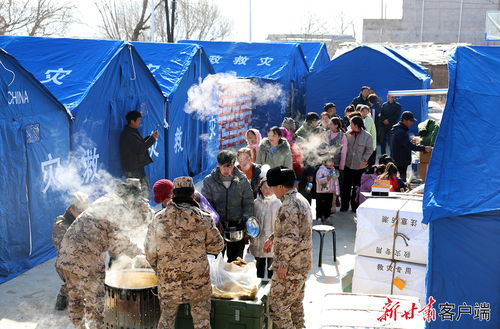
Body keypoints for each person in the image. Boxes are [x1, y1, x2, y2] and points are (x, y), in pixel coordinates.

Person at [55, 181, 144, 329]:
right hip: (87, 259)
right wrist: (140, 253)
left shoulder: (105, 200)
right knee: (95, 301)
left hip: (67, 255)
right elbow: (117, 241)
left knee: (75, 297)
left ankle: (79, 327)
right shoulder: (118, 206)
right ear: (130, 198)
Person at [145, 176, 224, 329]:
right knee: (202, 323)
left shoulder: (158, 219)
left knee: (166, 321)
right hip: (198, 282)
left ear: (173, 195)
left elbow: (149, 252)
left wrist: (160, 270)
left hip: (168, 282)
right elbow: (218, 246)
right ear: (193, 195)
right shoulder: (204, 218)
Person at [263, 167, 312, 329]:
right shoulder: (300, 199)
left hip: (290, 266)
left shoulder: (289, 205)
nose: (271, 191)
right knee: (294, 305)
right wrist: (272, 238)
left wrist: (282, 263)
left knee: (277, 307)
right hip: (301, 264)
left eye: (272, 187)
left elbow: (290, 236)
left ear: (281, 187)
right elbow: (292, 229)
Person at [201, 150, 254, 262]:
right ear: (218, 165)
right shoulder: (209, 181)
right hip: (216, 228)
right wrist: (214, 222)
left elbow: (248, 203)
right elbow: (206, 205)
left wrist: (246, 224)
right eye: (223, 166)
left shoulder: (242, 180)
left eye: (229, 166)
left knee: (237, 263)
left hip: (237, 226)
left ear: (234, 164)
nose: (226, 170)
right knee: (215, 262)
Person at [52, 192, 90, 311]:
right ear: (70, 209)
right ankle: (63, 296)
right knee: (76, 280)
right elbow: (67, 249)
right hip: (66, 263)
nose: (82, 214)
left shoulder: (83, 219)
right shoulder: (61, 225)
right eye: (79, 211)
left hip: (81, 259)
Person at [119, 110, 158, 199]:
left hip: (137, 166)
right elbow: (140, 148)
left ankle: (144, 208)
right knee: (136, 192)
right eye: (139, 120)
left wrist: (150, 137)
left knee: (144, 190)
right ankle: (138, 210)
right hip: (132, 168)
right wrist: (152, 139)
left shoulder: (132, 131)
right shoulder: (128, 134)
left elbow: (139, 144)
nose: (140, 122)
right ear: (132, 121)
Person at [250, 177, 281, 279]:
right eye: (264, 187)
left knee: (271, 268)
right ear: (260, 188)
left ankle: (270, 290)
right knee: (259, 267)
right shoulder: (256, 203)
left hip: (272, 242)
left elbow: (281, 224)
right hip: (258, 241)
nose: (267, 191)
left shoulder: (278, 204)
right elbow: (252, 221)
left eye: (270, 188)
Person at [341, 116, 374, 212]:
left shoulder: (367, 136)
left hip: (359, 166)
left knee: (357, 187)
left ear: (356, 125)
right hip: (348, 164)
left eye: (351, 123)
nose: (349, 125)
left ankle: (355, 207)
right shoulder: (347, 134)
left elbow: (369, 150)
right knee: (346, 187)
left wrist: (363, 161)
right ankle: (344, 206)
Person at [391, 111, 432, 183]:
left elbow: (403, 143)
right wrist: (424, 148)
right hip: (401, 159)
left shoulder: (400, 129)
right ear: (404, 120)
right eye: (411, 121)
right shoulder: (400, 131)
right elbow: (408, 146)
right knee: (402, 180)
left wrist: (409, 142)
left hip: (399, 158)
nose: (412, 123)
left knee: (400, 179)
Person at [315, 158, 339, 222]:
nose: (331, 164)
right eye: (329, 162)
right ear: (324, 162)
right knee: (320, 205)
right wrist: (326, 178)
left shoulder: (333, 170)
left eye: (333, 162)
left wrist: (337, 191)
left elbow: (336, 181)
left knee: (328, 205)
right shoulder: (321, 170)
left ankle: (327, 216)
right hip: (321, 191)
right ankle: (319, 217)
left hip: (330, 191)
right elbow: (318, 181)